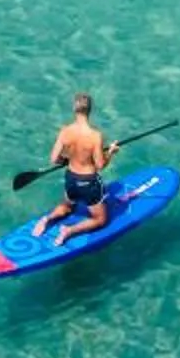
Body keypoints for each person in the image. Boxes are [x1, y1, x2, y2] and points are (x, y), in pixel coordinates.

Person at [34, 92, 122, 245]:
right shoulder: (96, 136)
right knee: (100, 219)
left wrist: (67, 159)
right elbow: (100, 165)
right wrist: (111, 152)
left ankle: (47, 219)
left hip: (71, 178)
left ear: (74, 109)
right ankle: (69, 231)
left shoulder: (65, 131)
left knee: (67, 206)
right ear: (90, 110)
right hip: (89, 183)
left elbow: (54, 159)